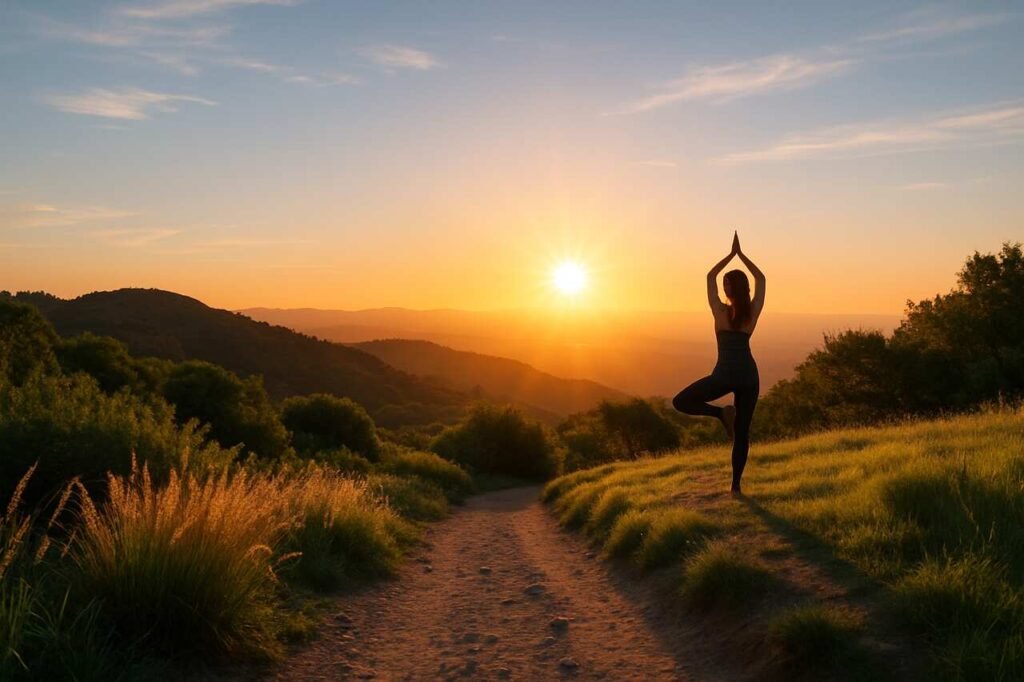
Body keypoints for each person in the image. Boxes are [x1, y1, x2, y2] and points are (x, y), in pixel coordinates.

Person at [672, 231, 765, 494]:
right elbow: (761, 278)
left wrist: (730, 255)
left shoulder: (720, 311)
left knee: (680, 402)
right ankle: (736, 486)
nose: (723, 287)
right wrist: (742, 256)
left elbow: (709, 276)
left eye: (726, 285)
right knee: (742, 433)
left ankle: (719, 413)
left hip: (724, 375)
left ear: (729, 288)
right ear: (745, 288)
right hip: (749, 376)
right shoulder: (752, 311)